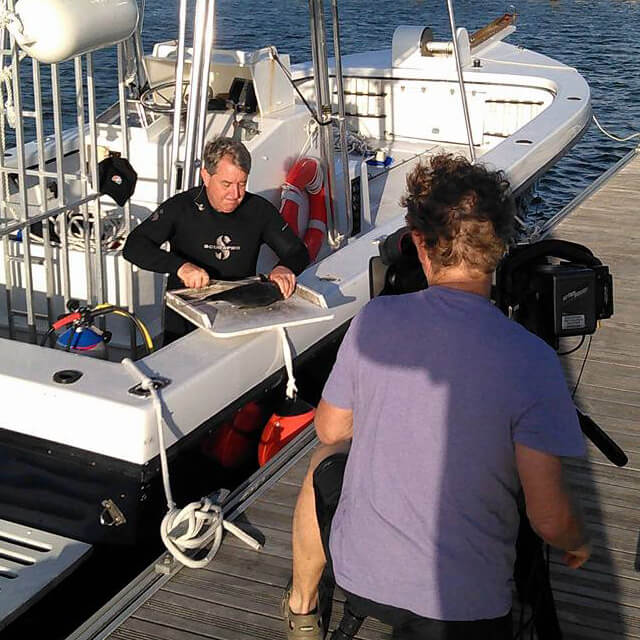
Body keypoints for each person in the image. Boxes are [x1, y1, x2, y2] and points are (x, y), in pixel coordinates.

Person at [282, 154, 590, 640]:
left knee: (326, 457)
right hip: (468, 607)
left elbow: (331, 429)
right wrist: (577, 543)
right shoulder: (531, 359)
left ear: (420, 244)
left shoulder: (375, 320)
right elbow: (548, 518)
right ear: (500, 246)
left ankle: (302, 610)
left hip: (361, 577)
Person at [123, 137, 310, 342]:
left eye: (242, 184)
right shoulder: (182, 207)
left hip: (239, 312)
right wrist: (180, 267)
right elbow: (134, 246)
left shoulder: (258, 210)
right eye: (226, 184)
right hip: (186, 315)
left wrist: (285, 268)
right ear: (206, 176)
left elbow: (297, 252)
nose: (235, 194)